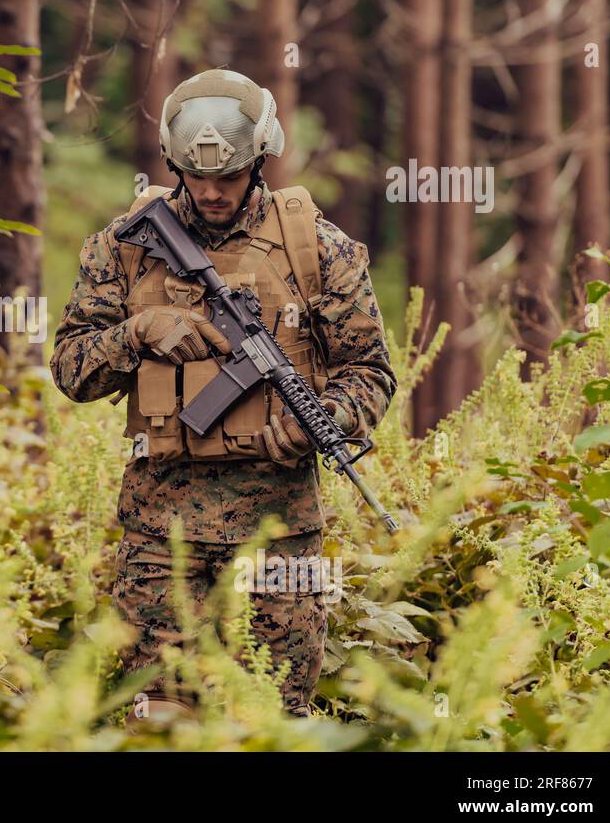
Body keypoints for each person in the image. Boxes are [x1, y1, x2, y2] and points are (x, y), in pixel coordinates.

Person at [49, 68, 397, 719]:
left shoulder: (318, 250)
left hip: (282, 527)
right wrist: (137, 332)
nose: (210, 192)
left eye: (229, 177)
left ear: (261, 163)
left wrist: (325, 418)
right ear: (174, 165)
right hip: (160, 530)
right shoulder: (126, 248)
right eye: (196, 175)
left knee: (275, 718)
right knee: (153, 719)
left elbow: (370, 370)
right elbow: (71, 370)